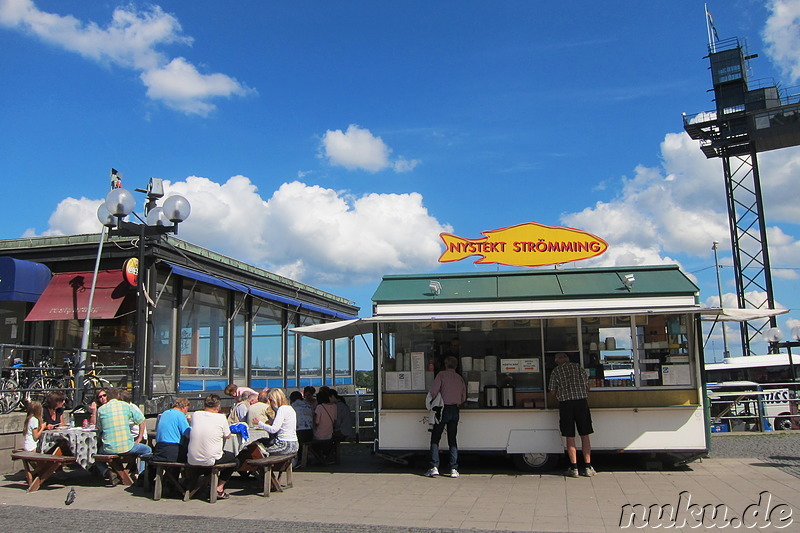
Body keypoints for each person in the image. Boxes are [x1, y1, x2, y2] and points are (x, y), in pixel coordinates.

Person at [548, 352, 595, 478]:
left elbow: (552, 392)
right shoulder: (578, 367)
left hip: (566, 405)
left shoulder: (555, 371)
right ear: (568, 359)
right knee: (585, 435)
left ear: (557, 361)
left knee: (570, 436)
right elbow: (587, 387)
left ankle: (574, 468)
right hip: (581, 403)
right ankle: (587, 467)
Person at [187, 394, 239, 500]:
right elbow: (228, 435)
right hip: (211, 458)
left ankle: (206, 483)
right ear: (218, 406)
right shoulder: (221, 417)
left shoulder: (196, 415)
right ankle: (219, 488)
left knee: (211, 454)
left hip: (191, 457)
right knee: (235, 459)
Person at [96, 387, 151, 484]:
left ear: (108, 397)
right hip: (127, 446)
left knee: (95, 454)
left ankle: (107, 472)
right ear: (118, 396)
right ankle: (142, 474)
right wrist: (139, 437)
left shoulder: (101, 410)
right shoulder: (126, 406)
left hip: (108, 448)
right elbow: (142, 420)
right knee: (147, 450)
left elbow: (99, 428)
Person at [425, 355, 466, 478]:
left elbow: (433, 391)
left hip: (443, 409)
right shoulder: (460, 378)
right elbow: (463, 398)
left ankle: (434, 466)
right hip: (455, 409)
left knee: (435, 437)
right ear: (456, 366)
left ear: (445, 364)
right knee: (452, 439)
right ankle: (453, 468)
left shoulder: (441, 375)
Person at [252, 388, 299, 456]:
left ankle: (266, 466)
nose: (270, 402)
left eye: (270, 400)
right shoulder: (290, 408)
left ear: (275, 400)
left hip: (284, 444)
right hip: (294, 444)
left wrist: (259, 423)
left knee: (261, 451)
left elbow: (274, 429)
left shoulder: (281, 409)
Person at [151, 397, 191, 463]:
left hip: (159, 449)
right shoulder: (180, 415)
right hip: (173, 450)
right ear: (184, 407)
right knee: (190, 458)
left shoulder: (164, 413)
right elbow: (187, 434)